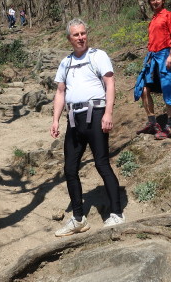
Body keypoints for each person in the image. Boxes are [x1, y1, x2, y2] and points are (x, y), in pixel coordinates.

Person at [50, 18, 125, 236]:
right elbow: (60, 92)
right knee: (70, 169)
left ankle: (117, 213)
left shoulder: (98, 56)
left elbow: (110, 83)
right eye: (76, 35)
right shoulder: (65, 63)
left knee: (101, 163)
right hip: (74, 119)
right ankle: (78, 218)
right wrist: (55, 119)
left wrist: (108, 113)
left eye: (83, 33)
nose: (81, 37)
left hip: (96, 114)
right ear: (69, 38)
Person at [134, 0, 171, 140]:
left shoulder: (169, 15)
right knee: (143, 88)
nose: (155, 2)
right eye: (152, 0)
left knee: (168, 88)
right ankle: (153, 123)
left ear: (163, 0)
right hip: (152, 58)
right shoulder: (153, 19)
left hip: (165, 56)